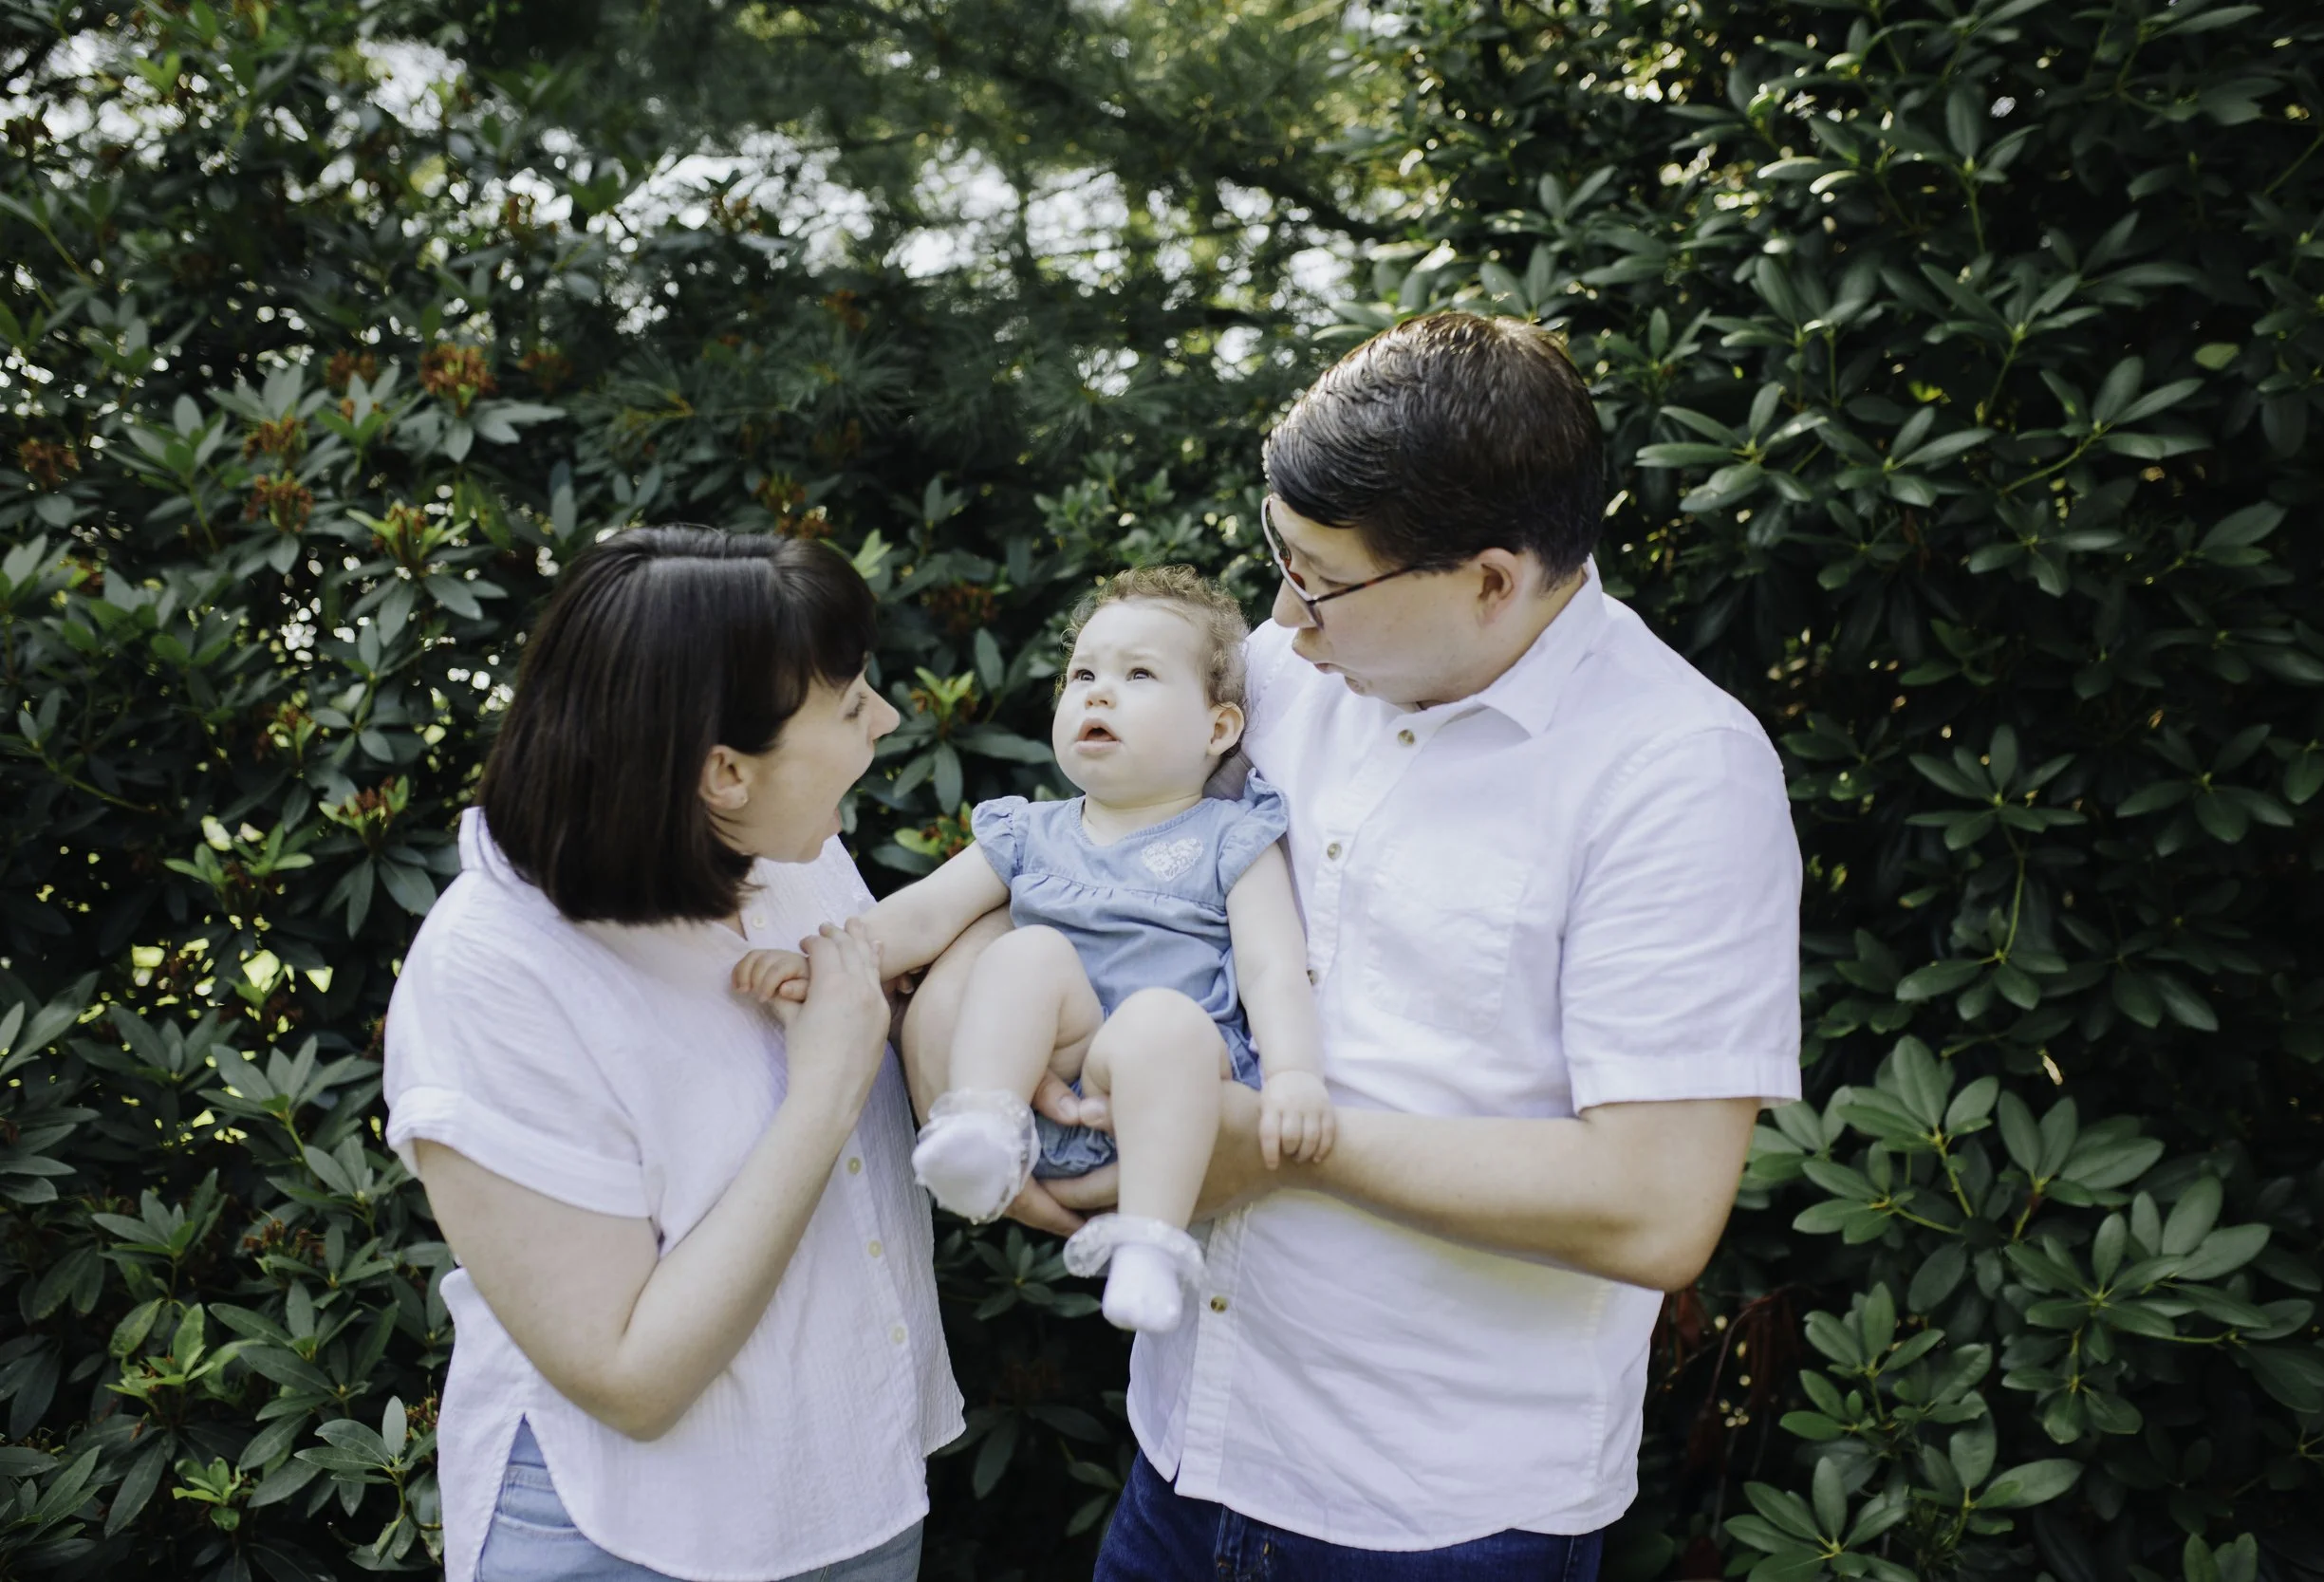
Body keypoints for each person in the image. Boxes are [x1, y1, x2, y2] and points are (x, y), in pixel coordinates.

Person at [902, 311, 1804, 1581]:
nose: (1284, 611)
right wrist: (959, 1062)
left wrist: (1281, 1147)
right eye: (1282, 555)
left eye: (1321, 580)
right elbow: (1068, 868)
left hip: (1439, 1514)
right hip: (1183, 1450)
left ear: (1491, 581)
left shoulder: (1676, 773)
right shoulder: (1278, 676)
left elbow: (1653, 1206)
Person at [381, 529, 959, 1582]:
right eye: (848, 705)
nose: (885, 717)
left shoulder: (785, 853)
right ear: (722, 771)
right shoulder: (493, 976)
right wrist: (825, 1090)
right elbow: (629, 1378)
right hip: (634, 1536)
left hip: (857, 1480)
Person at [735, 567, 1333, 1337]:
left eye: (1139, 675)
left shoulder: (1232, 838)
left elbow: (1272, 965)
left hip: (1169, 1097)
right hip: (1046, 1080)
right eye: (1083, 674)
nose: (1099, 693)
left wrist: (1294, 1075)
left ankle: (1148, 1244)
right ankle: (981, 1126)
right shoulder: (1030, 832)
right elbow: (922, 915)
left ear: (1218, 729)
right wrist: (826, 966)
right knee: (1028, 954)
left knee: (1160, 1019)